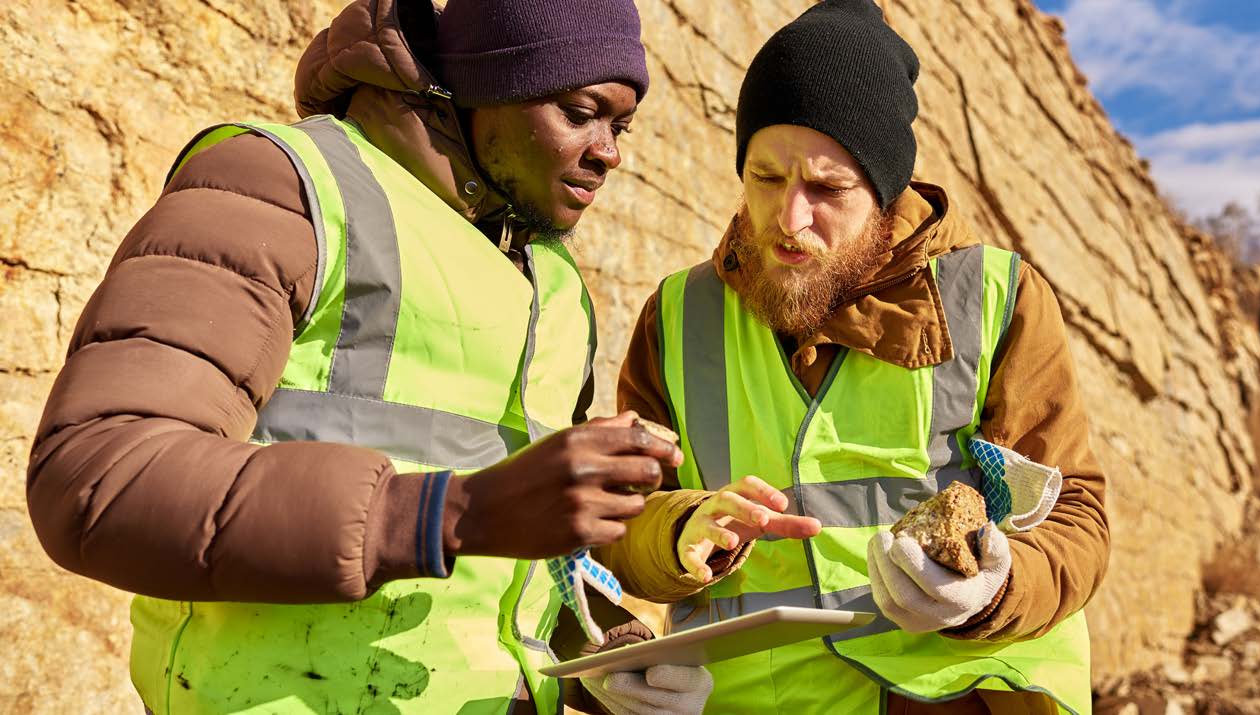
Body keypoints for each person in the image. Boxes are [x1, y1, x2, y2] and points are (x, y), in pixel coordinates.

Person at [25, 0, 761, 712]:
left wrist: (609, 652)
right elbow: (97, 474)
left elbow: (512, 568)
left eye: (622, 125)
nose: (610, 153)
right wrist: (449, 512)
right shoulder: (282, 184)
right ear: (487, 85)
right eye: (580, 112)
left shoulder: (555, 283)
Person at [601, 1, 1109, 712]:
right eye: (765, 178)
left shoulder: (998, 298)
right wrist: (682, 529)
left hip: (956, 695)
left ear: (885, 190)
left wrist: (996, 586)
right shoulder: (678, 316)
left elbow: (1073, 517)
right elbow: (617, 519)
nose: (789, 218)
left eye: (827, 188)